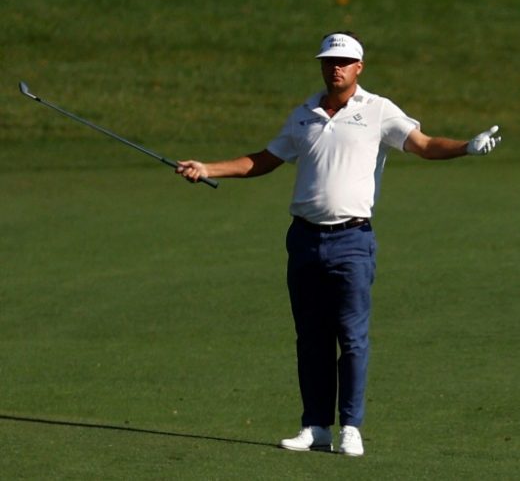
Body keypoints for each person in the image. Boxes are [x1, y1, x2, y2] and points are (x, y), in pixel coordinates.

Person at [176, 31, 501, 456]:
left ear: (359, 67)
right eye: (329, 61)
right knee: (310, 337)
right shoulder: (303, 115)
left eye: (343, 61)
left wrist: (465, 148)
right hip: (305, 239)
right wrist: (207, 167)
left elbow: (422, 145)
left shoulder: (378, 110)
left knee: (351, 337)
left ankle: (351, 426)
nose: (335, 68)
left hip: (352, 239)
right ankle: (316, 426)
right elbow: (264, 159)